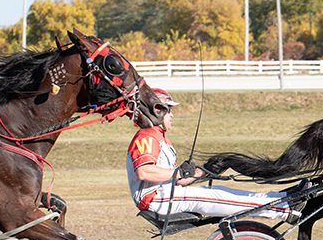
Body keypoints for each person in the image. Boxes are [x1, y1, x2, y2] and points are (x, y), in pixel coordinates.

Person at [127, 89, 298, 222]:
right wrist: (179, 172)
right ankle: (283, 208)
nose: (172, 115)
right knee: (220, 198)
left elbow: (179, 181)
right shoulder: (146, 136)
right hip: (157, 200)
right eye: (169, 109)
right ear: (157, 111)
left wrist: (205, 170)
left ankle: (282, 198)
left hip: (168, 196)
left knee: (222, 192)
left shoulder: (161, 139)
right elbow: (144, 172)